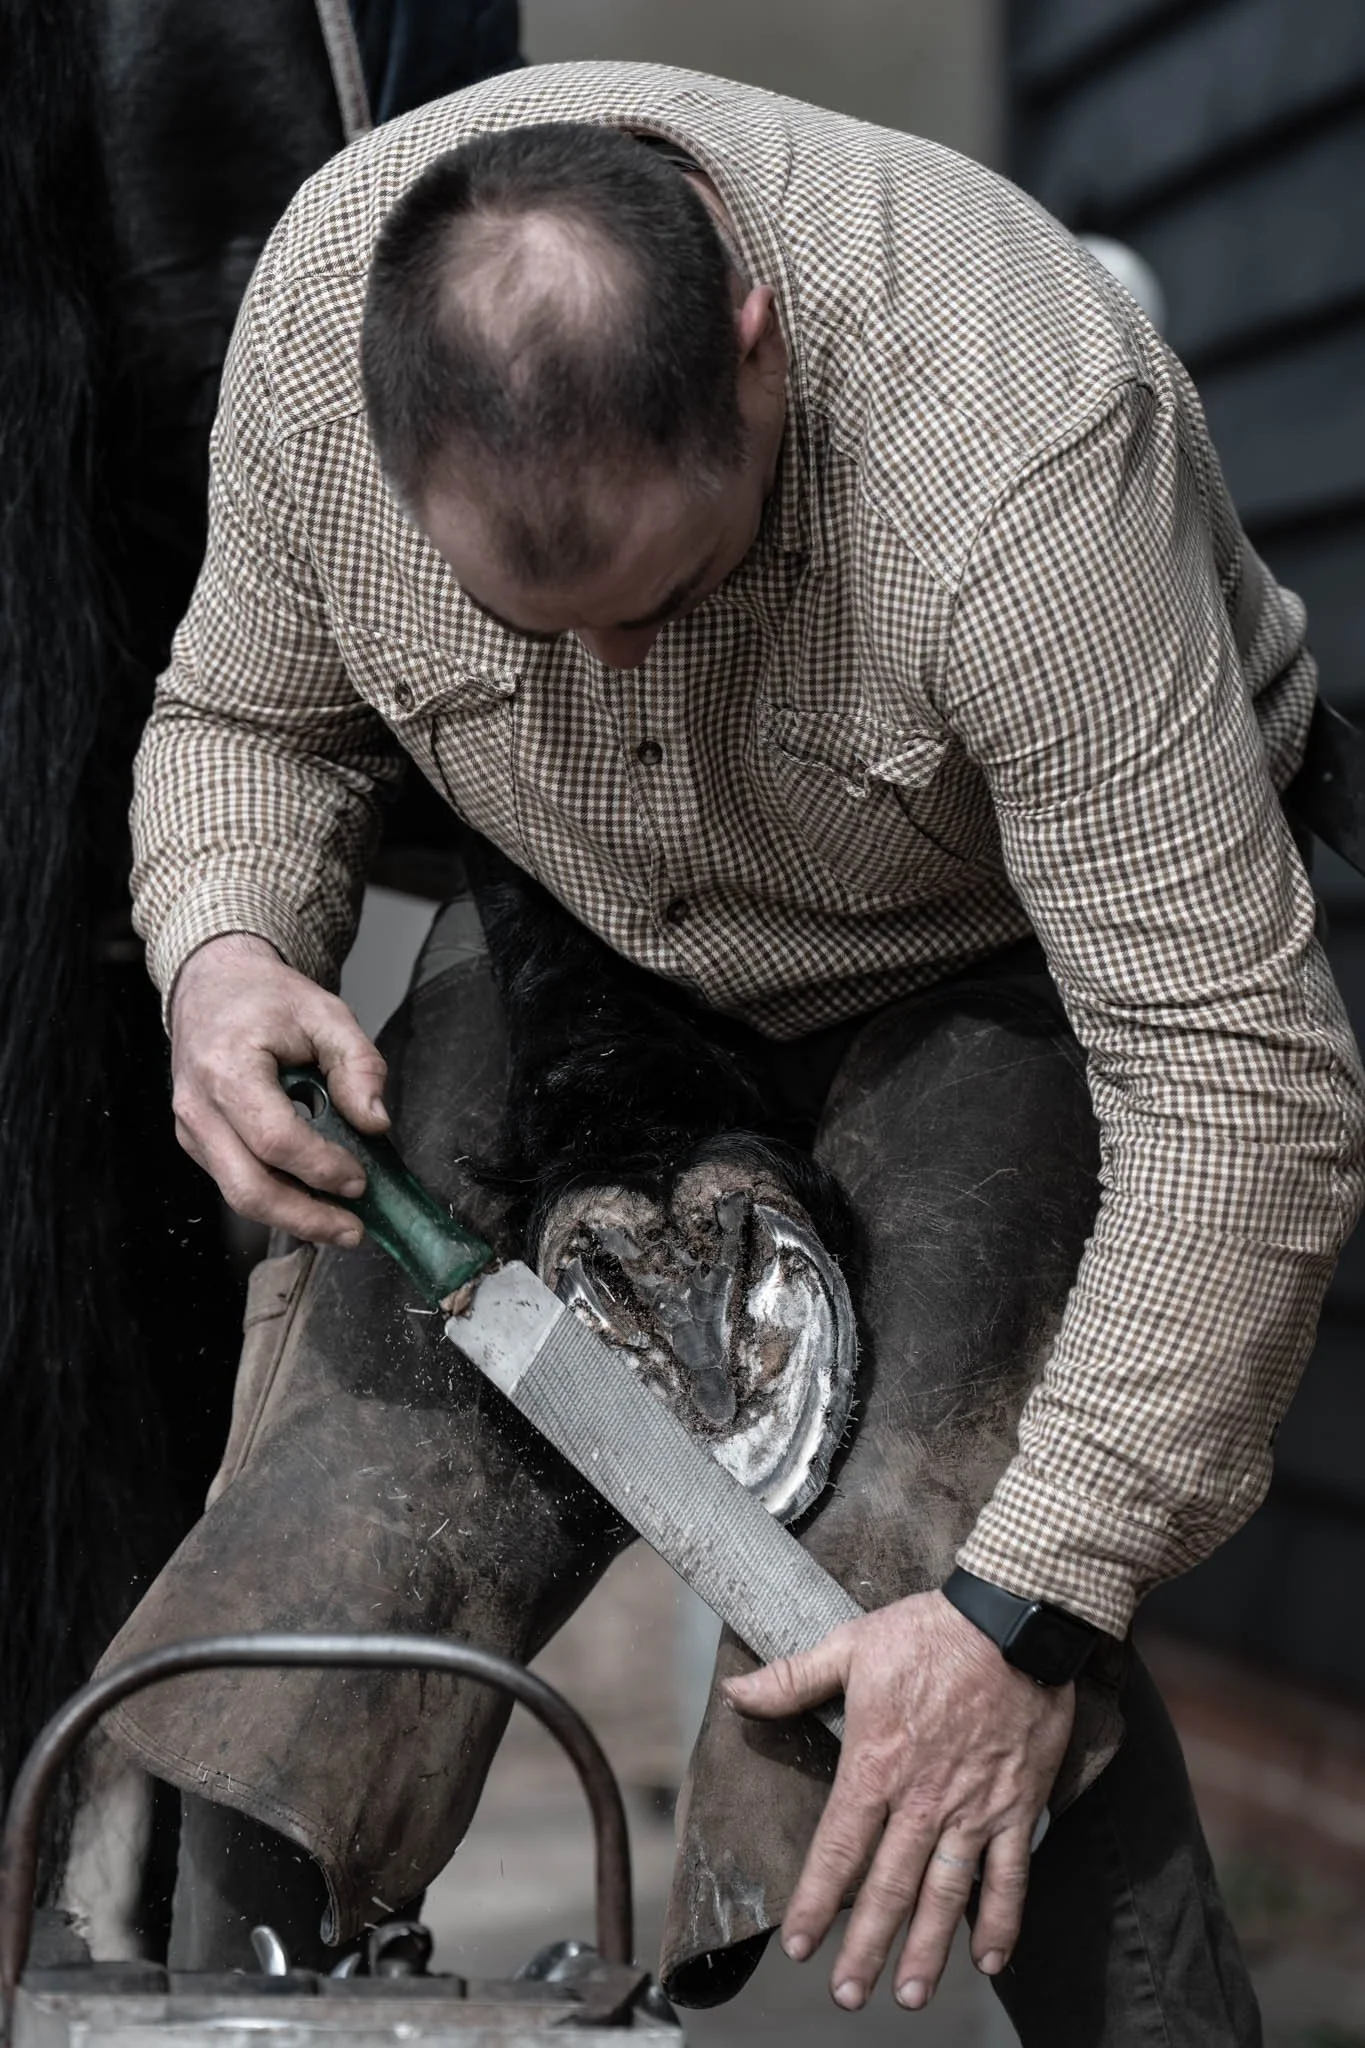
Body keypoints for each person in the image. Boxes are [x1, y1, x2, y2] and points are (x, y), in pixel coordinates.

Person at [101, 62, 1364, 2044]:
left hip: (979, 955)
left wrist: (1029, 1604)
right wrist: (227, 953)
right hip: (577, 948)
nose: (607, 665)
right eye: (532, 622)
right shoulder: (320, 329)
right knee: (304, 1607)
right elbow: (245, 719)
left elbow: (1235, 1092)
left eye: (662, 595)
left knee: (928, 1611)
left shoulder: (1020, 461)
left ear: (757, 353)